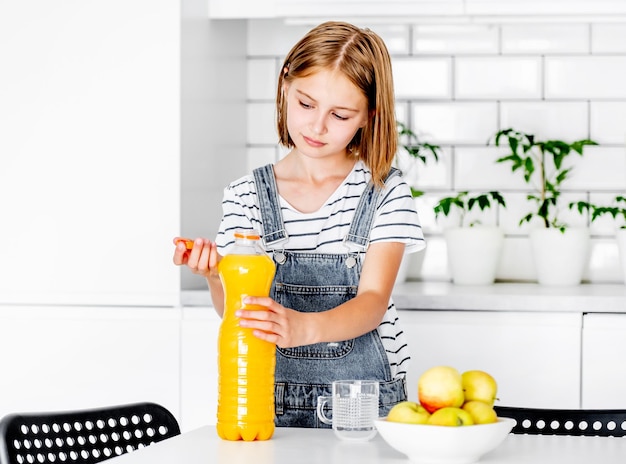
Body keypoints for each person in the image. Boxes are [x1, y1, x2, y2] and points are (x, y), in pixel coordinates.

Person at [173, 21, 425, 428]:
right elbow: (237, 313)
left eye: (340, 114)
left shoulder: (384, 191)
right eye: (306, 104)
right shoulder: (245, 194)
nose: (318, 126)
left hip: (363, 404)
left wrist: (303, 327)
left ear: (368, 116)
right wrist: (216, 277)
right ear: (285, 86)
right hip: (269, 401)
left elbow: (374, 300)